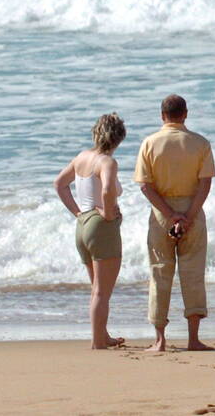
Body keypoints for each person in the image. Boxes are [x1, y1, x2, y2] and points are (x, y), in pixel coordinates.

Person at [134, 94, 215, 351]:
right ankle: (193, 339)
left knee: (160, 272)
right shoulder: (200, 143)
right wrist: (189, 215)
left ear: (162, 116)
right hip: (192, 209)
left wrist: (170, 215)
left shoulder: (149, 143)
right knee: (192, 273)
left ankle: (160, 340)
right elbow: (205, 184)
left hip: (162, 213)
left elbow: (145, 186)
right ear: (186, 114)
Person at [53, 113, 128, 349]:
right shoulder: (107, 162)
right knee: (101, 292)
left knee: (97, 288)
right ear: (119, 138)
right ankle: (98, 343)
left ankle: (102, 336)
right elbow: (106, 190)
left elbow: (59, 184)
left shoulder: (82, 157)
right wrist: (107, 214)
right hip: (101, 227)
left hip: (83, 224)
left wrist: (77, 213)